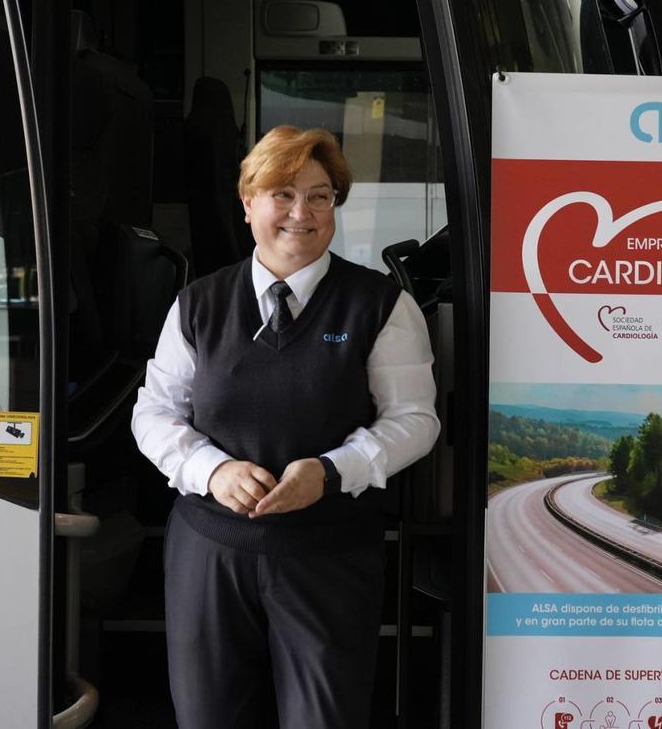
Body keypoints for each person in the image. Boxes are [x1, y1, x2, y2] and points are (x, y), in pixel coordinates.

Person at [131, 125, 440, 728]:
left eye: (320, 196)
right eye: (283, 193)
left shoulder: (379, 305)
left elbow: (414, 420)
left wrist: (327, 473)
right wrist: (210, 470)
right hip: (210, 549)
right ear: (247, 205)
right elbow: (155, 412)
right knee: (207, 716)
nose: (302, 213)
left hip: (327, 551)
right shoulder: (199, 304)